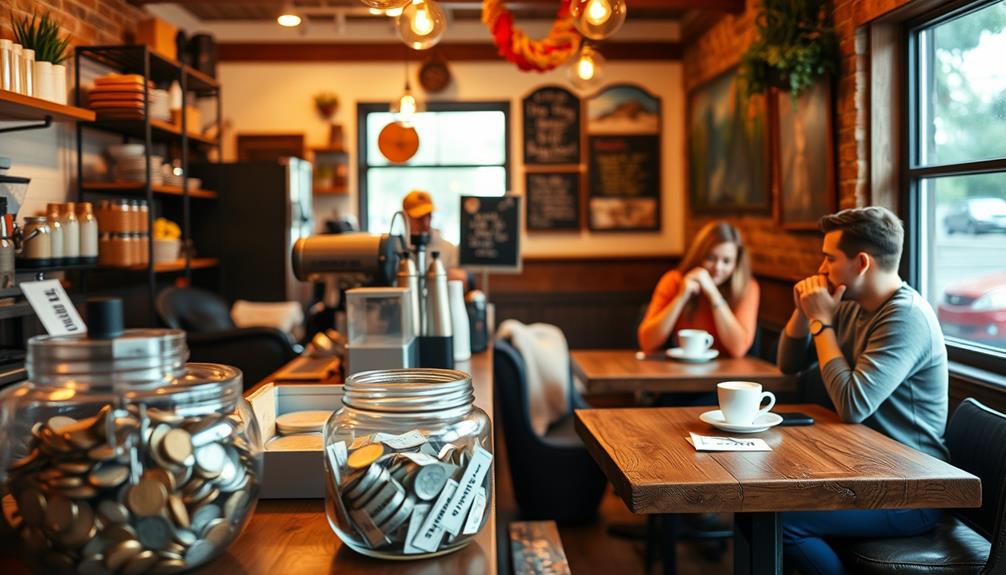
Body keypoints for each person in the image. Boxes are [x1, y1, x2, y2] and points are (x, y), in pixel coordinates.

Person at [777, 206, 948, 575]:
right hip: (864, 470)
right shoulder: (854, 305)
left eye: (829, 258)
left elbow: (853, 405)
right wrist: (804, 312)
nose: (821, 268)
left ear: (862, 263)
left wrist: (821, 323)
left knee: (780, 522)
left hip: (913, 489)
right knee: (762, 510)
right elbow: (788, 365)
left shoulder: (906, 316)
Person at [638, 221, 759, 358]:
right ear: (698, 256)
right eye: (711, 258)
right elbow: (647, 342)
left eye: (726, 261)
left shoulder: (747, 287)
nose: (718, 268)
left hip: (728, 374)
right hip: (681, 371)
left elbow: (738, 349)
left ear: (736, 263)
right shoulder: (674, 280)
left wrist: (713, 294)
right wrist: (681, 297)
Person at [402, 189, 466, 282]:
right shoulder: (397, 249)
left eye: (429, 216)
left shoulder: (449, 250)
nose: (425, 223)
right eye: (419, 218)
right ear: (405, 217)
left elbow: (461, 281)